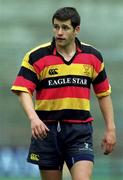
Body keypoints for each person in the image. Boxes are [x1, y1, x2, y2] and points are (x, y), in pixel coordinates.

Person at [11, 7, 116, 180]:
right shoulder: (36, 57)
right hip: (46, 131)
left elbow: (103, 94)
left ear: (77, 30)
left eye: (65, 28)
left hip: (79, 130)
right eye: (56, 27)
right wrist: (33, 118)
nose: (59, 32)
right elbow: (23, 90)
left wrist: (110, 129)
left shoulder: (93, 57)